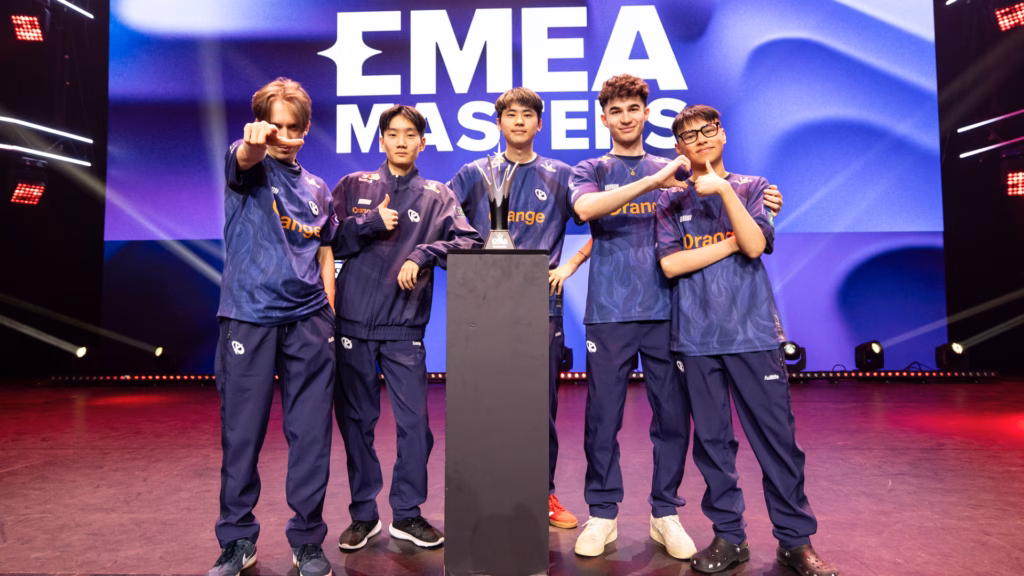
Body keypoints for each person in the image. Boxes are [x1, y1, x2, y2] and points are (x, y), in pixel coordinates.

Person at [569, 74, 784, 560]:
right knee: (603, 417)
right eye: (616, 110)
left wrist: (769, 203)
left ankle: (664, 512)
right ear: (604, 118)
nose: (626, 117)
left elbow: (727, 198)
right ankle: (602, 512)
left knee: (672, 420)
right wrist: (652, 180)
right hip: (609, 311)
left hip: (671, 310)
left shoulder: (682, 167)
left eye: (634, 108)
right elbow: (586, 210)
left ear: (646, 114)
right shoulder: (593, 168)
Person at [655, 104, 838, 576]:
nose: (700, 139)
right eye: (689, 135)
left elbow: (756, 245)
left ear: (723, 135)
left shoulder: (755, 188)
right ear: (678, 148)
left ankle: (795, 542)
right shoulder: (670, 201)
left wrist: (723, 190)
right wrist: (735, 240)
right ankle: (729, 537)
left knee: (777, 441)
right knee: (712, 445)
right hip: (694, 338)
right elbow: (671, 265)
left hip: (753, 333)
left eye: (708, 130)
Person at [329, 105, 483, 552]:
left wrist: (424, 253)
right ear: (381, 140)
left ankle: (408, 513)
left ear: (422, 143)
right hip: (352, 326)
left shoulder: (437, 196)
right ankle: (363, 515)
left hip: (404, 329)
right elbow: (329, 240)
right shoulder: (353, 186)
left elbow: (470, 241)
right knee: (357, 423)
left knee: (415, 426)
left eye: (410, 134)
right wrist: (370, 223)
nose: (401, 141)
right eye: (393, 134)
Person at [447, 86, 592, 530]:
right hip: (483, 308)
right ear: (498, 123)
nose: (519, 121)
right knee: (483, 404)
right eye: (510, 114)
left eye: (527, 114)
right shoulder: (475, 173)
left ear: (539, 124)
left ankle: (541, 493)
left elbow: (607, 225)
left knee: (538, 408)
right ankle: (485, 493)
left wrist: (571, 265)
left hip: (541, 307)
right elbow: (441, 221)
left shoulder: (561, 175)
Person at [210, 77, 336, 576]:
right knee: (242, 435)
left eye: (292, 127)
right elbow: (243, 158)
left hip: (309, 321)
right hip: (249, 316)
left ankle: (307, 540)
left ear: (305, 129)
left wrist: (328, 308)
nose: (284, 136)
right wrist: (252, 144)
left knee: (311, 435)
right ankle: (238, 539)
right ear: (261, 125)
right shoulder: (247, 164)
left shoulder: (318, 188)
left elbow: (323, 251)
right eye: (274, 126)